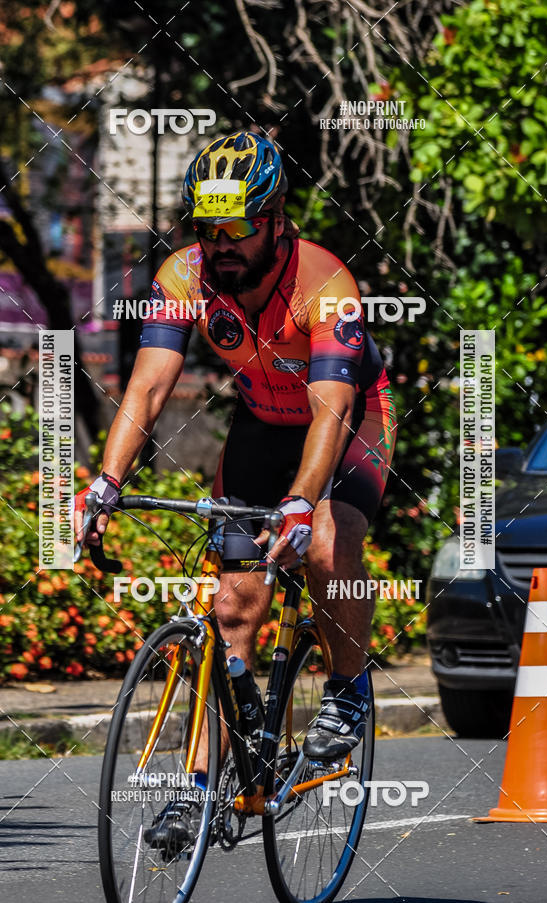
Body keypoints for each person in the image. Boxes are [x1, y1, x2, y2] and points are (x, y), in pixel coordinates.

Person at [75, 130, 396, 854]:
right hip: (261, 425)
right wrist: (105, 480)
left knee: (324, 537)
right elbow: (149, 383)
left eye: (238, 227)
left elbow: (332, 411)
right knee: (230, 609)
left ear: (277, 217)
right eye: (206, 228)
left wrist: (300, 501)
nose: (220, 244)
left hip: (347, 422)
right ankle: (198, 788)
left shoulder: (327, 285)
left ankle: (347, 692)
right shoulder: (185, 276)